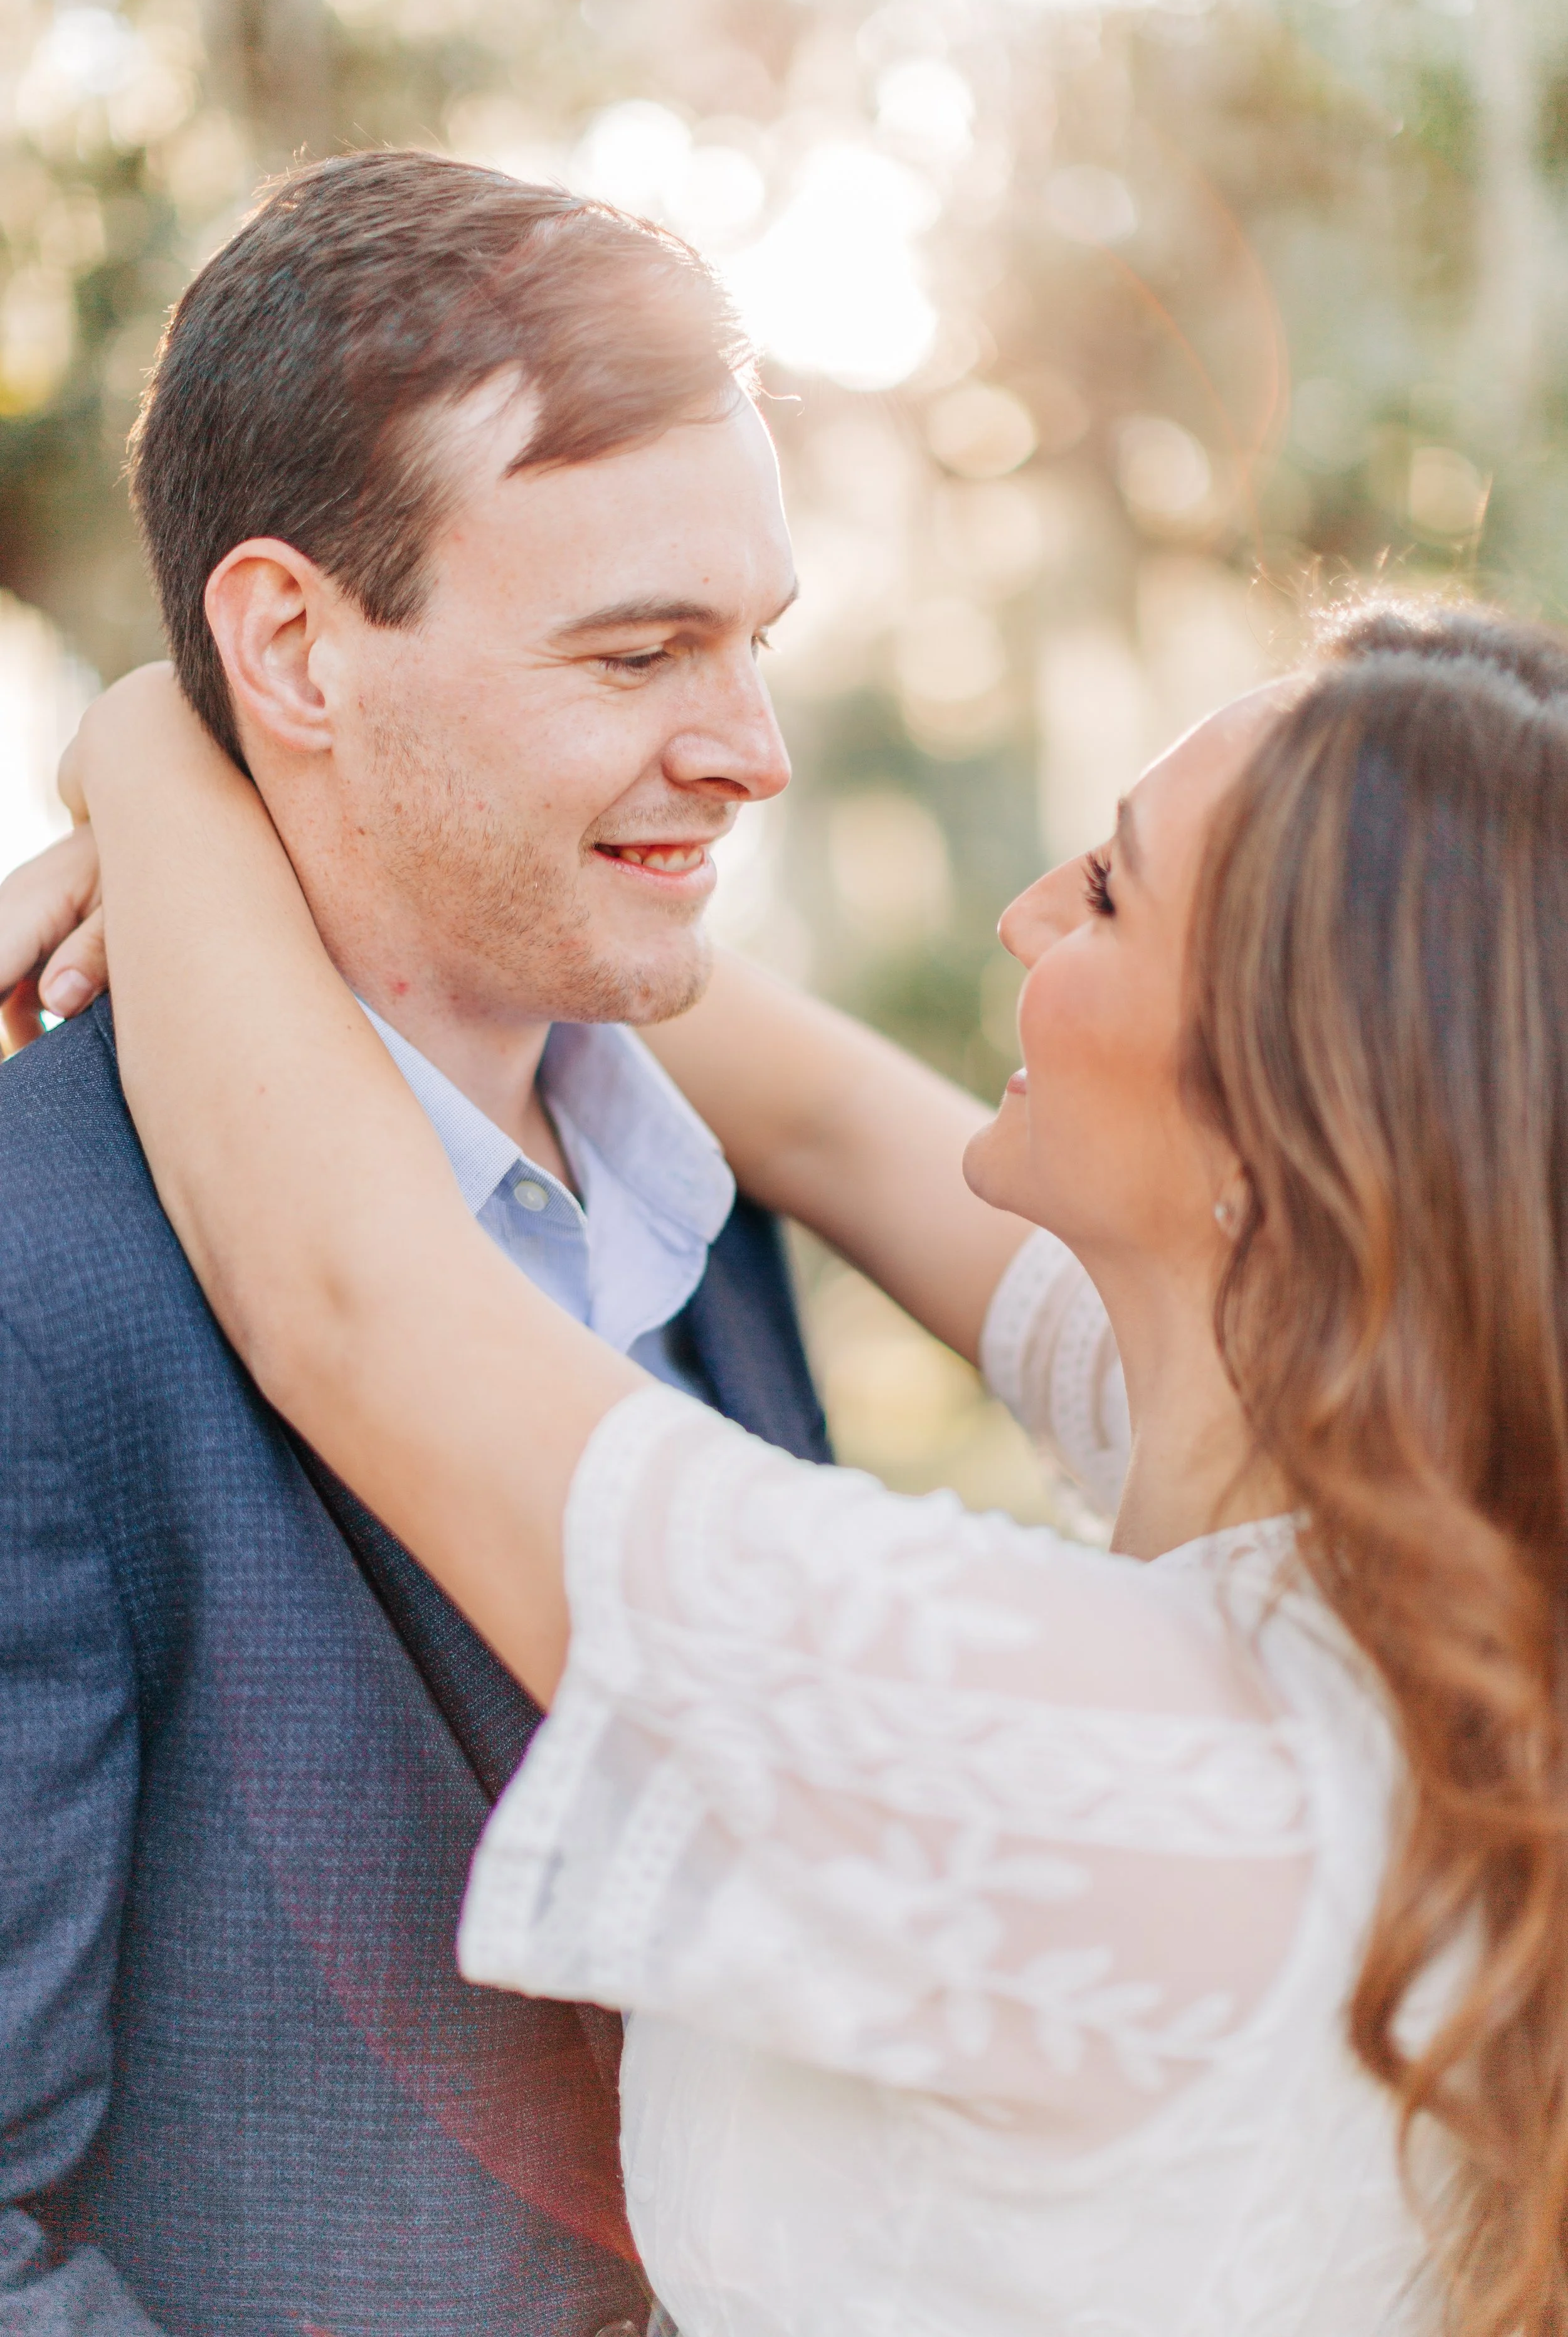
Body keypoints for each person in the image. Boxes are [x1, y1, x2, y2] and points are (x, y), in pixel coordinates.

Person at [25, 595, 1568, 2337]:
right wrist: (323, 792)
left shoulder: (1125, 1769)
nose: (1022, 913)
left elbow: (348, 1298)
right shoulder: (1408, 1559)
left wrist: (157, 737)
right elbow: (830, 1121)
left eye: (1110, 892)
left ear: (1281, 1127)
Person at [0, 149, 1053, 2337]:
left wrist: (143, 751)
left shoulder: (724, 1198)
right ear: (287, 641)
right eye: (639, 649)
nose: (749, 751)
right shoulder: (34, 1283)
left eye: (750, 642)